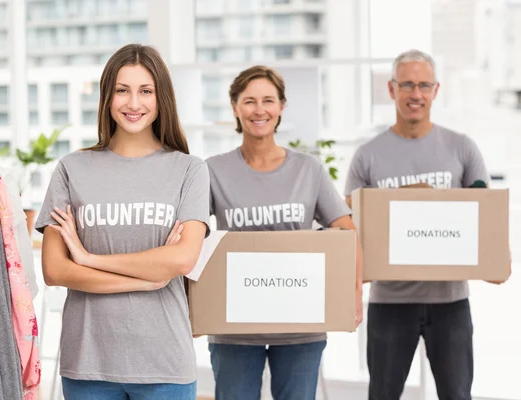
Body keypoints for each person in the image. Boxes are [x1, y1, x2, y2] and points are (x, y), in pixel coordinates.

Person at [35, 44, 210, 400]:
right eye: (122, 90)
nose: (134, 103)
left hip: (164, 362)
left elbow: (182, 260)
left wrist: (88, 259)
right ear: (106, 97)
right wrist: (148, 279)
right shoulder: (71, 169)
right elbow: (54, 270)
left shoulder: (190, 170)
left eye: (146, 91)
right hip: (87, 362)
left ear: (161, 98)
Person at [344, 49, 511, 400]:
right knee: (383, 395)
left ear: (436, 90)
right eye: (406, 84)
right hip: (389, 303)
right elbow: (352, 229)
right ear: (391, 90)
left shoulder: (462, 149)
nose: (415, 94)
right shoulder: (368, 155)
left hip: (450, 302)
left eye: (423, 85)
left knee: (457, 395)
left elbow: (485, 219)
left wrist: (497, 260)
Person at [205, 65, 363, 400]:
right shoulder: (212, 171)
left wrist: (353, 296)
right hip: (234, 326)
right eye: (249, 101)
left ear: (281, 107)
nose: (259, 110)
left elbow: (347, 234)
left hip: (299, 326)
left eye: (268, 100)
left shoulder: (309, 169)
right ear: (235, 107)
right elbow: (191, 234)